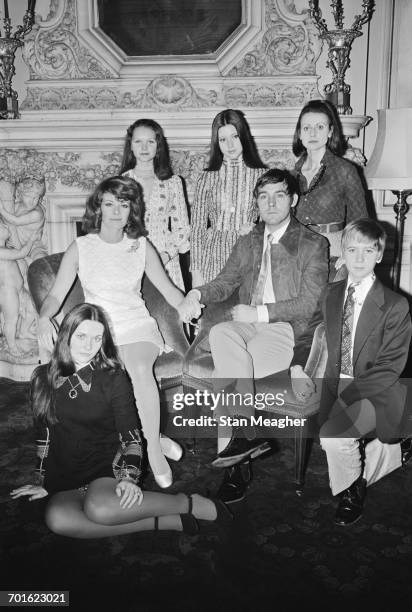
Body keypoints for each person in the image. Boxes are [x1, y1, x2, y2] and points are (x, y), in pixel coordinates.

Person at [11, 303, 231, 538]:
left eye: (97, 338)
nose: (89, 346)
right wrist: (42, 481)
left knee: (100, 510)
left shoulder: (113, 377)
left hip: (106, 467)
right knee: (58, 519)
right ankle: (169, 522)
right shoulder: (41, 378)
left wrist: (129, 478)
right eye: (82, 336)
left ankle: (187, 503)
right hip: (66, 474)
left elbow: (131, 436)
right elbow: (44, 438)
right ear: (66, 335)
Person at [180, 168, 329, 501]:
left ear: (292, 199)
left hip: (286, 329)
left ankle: (235, 467)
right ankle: (244, 438)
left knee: (225, 374)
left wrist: (259, 313)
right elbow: (225, 282)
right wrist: (196, 295)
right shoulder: (248, 241)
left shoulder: (313, 243)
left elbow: (310, 302)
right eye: (263, 196)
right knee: (220, 333)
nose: (271, 202)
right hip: (245, 327)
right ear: (257, 203)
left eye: (279, 195)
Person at [37, 176, 186, 489]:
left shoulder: (141, 247)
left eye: (123, 203)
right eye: (109, 203)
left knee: (140, 368)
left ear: (131, 209)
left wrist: (190, 305)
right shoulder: (81, 247)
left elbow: (170, 292)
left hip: (138, 325)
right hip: (99, 332)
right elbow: (55, 295)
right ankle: (152, 435)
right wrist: (42, 317)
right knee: (110, 385)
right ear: (98, 207)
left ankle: (154, 453)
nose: (116, 210)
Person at [290, 219, 412, 526]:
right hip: (335, 384)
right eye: (353, 249)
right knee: (331, 437)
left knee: (332, 438)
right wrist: (296, 366)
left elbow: (389, 368)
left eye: (368, 250)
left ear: (380, 255)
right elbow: (309, 334)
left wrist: (350, 397)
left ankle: (351, 491)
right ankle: (395, 454)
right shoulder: (331, 294)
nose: (359, 258)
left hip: (378, 391)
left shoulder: (396, 305)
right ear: (342, 252)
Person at [190, 109, 267, 286]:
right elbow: (196, 229)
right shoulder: (206, 178)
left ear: (244, 137)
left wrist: (256, 228)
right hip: (212, 258)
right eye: (223, 140)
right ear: (217, 143)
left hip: (249, 253)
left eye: (235, 137)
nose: (230, 145)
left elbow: (271, 222)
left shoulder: (262, 176)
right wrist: (196, 274)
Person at [292, 99, 367, 267]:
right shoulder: (292, 174)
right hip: (297, 254)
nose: (312, 134)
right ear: (300, 134)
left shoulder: (345, 171)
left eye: (320, 127)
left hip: (332, 255)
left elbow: (360, 221)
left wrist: (350, 255)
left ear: (330, 131)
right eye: (306, 128)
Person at [120, 118, 190, 289]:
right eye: (138, 142)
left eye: (150, 142)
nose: (144, 148)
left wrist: (165, 255)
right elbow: (113, 225)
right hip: (130, 257)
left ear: (158, 146)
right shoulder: (121, 182)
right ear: (131, 145)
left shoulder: (173, 182)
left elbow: (182, 227)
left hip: (166, 259)